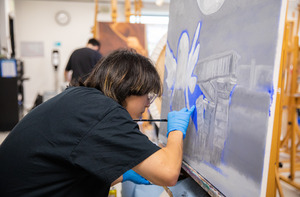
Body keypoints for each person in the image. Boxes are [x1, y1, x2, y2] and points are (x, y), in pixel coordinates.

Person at [0, 49, 195, 196]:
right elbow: (168, 173)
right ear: (129, 86)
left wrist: (123, 174)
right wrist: (176, 131)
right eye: (147, 95)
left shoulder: (83, 99)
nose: (147, 104)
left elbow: (74, 168)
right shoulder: (104, 113)